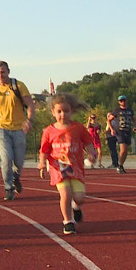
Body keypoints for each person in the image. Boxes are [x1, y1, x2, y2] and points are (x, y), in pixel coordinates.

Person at [37, 93, 96, 235]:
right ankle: (68, 221)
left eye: (66, 111)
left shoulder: (78, 127)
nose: (62, 114)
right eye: (59, 111)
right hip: (58, 168)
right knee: (65, 194)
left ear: (72, 111)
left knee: (80, 198)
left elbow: (88, 141)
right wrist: (42, 164)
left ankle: (76, 208)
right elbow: (44, 150)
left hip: (75, 168)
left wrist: (91, 153)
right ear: (53, 112)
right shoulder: (48, 131)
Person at [0, 61, 35, 201]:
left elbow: (30, 105)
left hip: (19, 128)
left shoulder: (18, 86)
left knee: (19, 161)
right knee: (6, 159)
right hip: (1, 128)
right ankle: (8, 187)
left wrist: (29, 121)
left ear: (8, 71)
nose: (0, 75)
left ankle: (16, 177)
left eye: (2, 72)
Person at [112, 95, 136, 174]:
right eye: (121, 101)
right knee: (123, 149)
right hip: (120, 131)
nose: (123, 102)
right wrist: (112, 129)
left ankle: (121, 165)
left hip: (128, 131)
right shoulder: (117, 111)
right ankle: (119, 165)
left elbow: (134, 119)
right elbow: (109, 120)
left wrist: (135, 126)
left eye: (124, 100)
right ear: (119, 102)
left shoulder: (130, 110)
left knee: (126, 151)